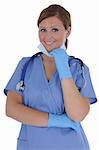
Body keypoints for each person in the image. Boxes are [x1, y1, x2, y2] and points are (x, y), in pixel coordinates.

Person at [4, 4, 97, 150]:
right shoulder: (25, 65)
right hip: (31, 144)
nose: (47, 37)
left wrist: (64, 68)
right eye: (43, 30)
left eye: (55, 29)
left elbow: (77, 114)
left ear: (68, 30)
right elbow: (11, 109)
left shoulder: (78, 69)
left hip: (70, 145)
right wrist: (57, 120)